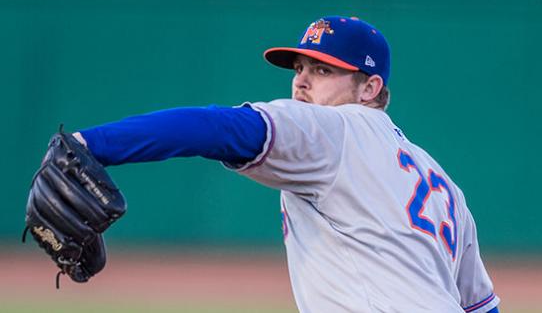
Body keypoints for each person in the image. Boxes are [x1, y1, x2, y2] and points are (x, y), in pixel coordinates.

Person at [73, 16, 500, 312]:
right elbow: (479, 305)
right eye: (299, 66)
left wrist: (90, 144)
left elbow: (216, 127)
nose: (301, 79)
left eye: (323, 69)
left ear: (370, 87)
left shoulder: (334, 131)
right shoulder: (440, 182)